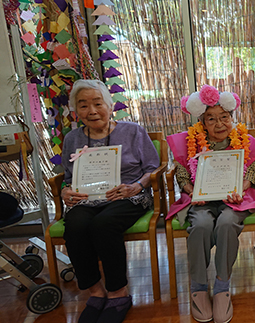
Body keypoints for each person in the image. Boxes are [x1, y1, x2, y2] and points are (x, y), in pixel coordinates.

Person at [61, 79, 160, 323]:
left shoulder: (133, 131)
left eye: (97, 103)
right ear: (76, 111)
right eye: (83, 105)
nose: (92, 111)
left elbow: (153, 168)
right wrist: (66, 191)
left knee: (103, 225)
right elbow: (67, 177)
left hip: (129, 195)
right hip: (88, 198)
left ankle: (118, 293)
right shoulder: (72, 139)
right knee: (74, 224)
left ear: (110, 105)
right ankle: (95, 292)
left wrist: (136, 186)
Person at [166, 85, 255, 323]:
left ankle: (222, 287)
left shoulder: (244, 141)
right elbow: (182, 176)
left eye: (224, 117)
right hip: (200, 199)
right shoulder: (189, 142)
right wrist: (193, 191)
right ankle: (199, 287)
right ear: (202, 122)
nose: (220, 124)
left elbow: (251, 173)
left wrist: (238, 190)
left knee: (227, 222)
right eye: (211, 119)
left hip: (234, 199)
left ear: (232, 118)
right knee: (200, 224)